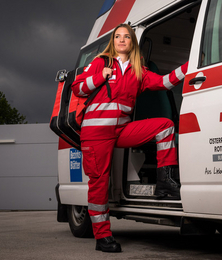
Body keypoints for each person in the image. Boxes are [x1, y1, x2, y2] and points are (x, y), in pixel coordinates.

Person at [71, 23, 188, 253]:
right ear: (113, 42)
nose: (122, 40)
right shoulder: (101, 62)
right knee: (99, 184)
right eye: (118, 37)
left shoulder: (138, 71)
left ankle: (166, 182)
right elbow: (78, 88)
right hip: (95, 133)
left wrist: (188, 66)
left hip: (121, 130)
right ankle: (102, 237)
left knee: (165, 126)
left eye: (126, 37)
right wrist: (99, 77)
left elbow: (164, 82)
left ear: (133, 42)